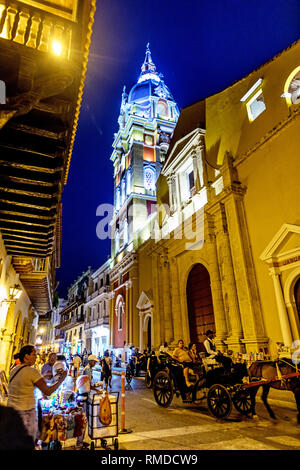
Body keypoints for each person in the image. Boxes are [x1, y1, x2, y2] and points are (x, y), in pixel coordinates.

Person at [7, 344, 67, 445]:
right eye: (34, 354)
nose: (36, 357)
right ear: (26, 356)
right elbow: (48, 391)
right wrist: (62, 378)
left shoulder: (14, 370)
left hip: (11, 413)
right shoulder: (32, 371)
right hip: (26, 415)